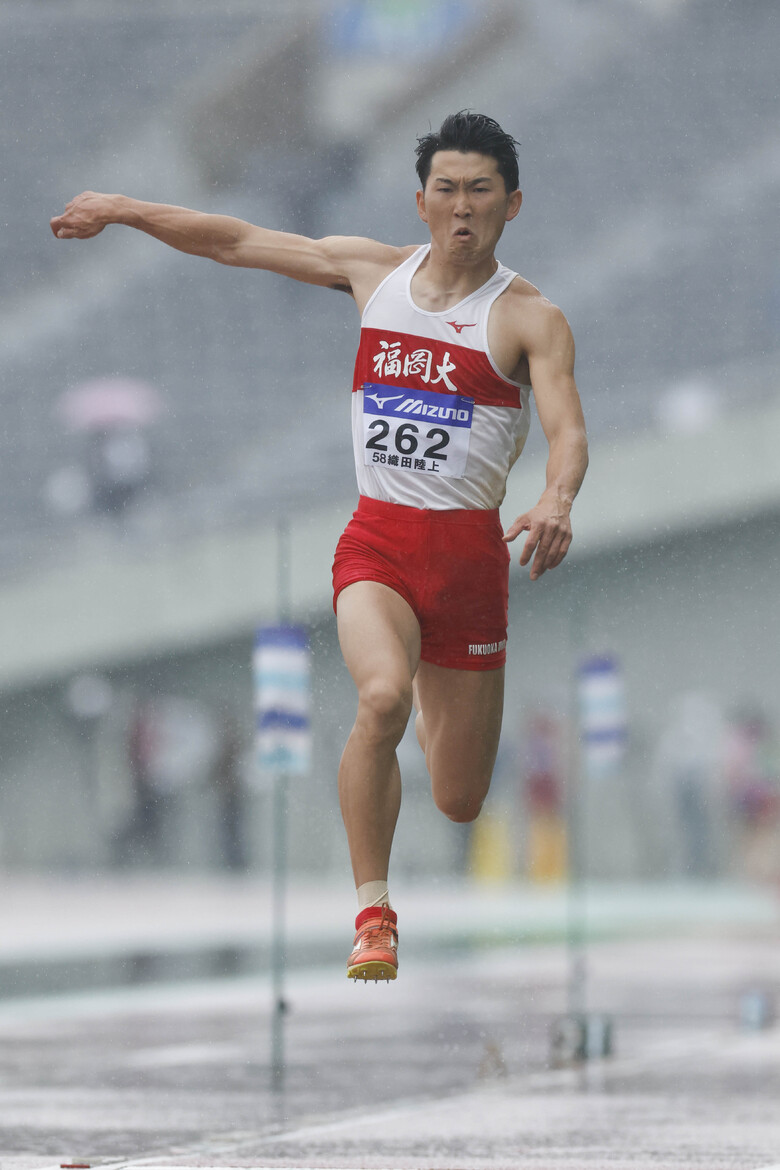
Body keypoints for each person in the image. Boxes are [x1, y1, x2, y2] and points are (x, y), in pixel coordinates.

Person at [51, 111, 588, 983]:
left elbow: (567, 431)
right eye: (446, 189)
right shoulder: (370, 273)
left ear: (511, 204)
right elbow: (234, 241)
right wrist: (123, 206)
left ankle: (428, 691)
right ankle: (373, 913)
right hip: (377, 541)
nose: (461, 209)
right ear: (420, 201)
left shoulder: (532, 319)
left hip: (469, 563)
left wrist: (557, 496)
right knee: (378, 697)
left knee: (458, 800)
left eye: (479, 191)